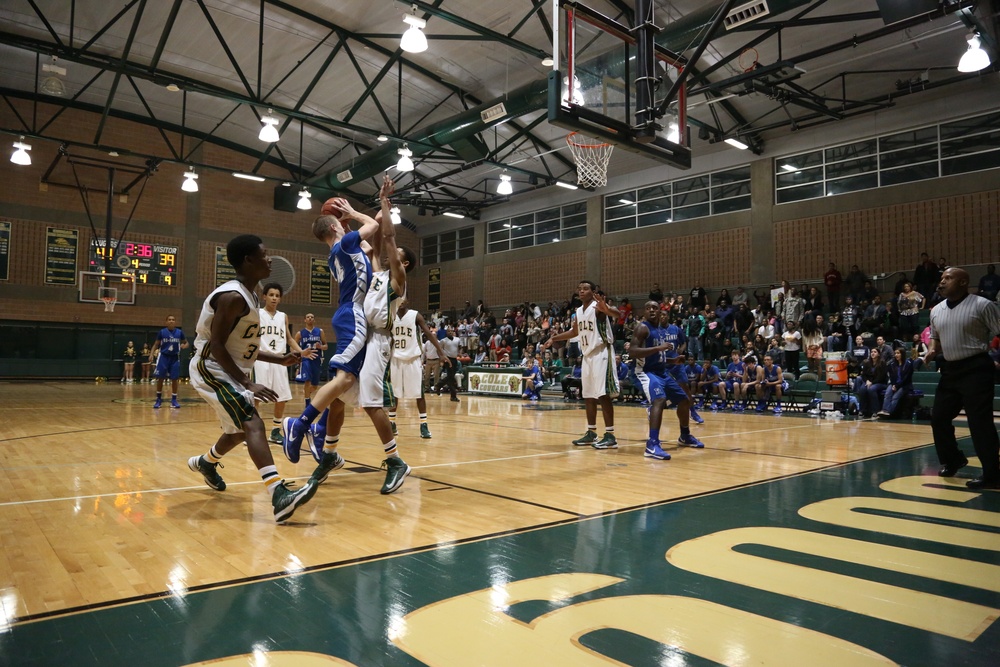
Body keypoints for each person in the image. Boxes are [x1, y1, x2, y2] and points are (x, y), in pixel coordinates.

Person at [186, 234, 318, 523]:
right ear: (248, 260)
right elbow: (218, 346)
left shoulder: (251, 297)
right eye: (264, 254)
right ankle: (278, 494)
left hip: (228, 367)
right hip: (211, 366)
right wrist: (247, 383)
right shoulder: (232, 296)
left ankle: (206, 463)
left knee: (237, 431)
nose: (269, 259)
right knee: (251, 421)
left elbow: (243, 346)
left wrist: (279, 359)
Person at [298, 177, 416, 495]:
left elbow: (385, 232)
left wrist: (378, 208)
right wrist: (378, 203)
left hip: (376, 339)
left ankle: (395, 461)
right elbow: (373, 232)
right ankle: (330, 455)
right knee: (337, 401)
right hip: (359, 335)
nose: (390, 253)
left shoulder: (397, 280)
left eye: (397, 253)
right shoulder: (374, 268)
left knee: (373, 404)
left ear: (402, 262)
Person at [280, 195, 388, 482]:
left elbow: (370, 242)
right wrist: (354, 213)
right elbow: (371, 230)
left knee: (345, 385)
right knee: (345, 380)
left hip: (348, 313)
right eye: (340, 224)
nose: (345, 224)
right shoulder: (343, 243)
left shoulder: (339, 252)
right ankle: (300, 423)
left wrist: (377, 212)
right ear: (333, 229)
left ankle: (317, 428)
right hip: (353, 314)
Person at [924, 267, 1000, 489]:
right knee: (938, 418)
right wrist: (931, 349)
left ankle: (992, 473)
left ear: (964, 282)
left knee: (980, 422)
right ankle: (953, 459)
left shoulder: (982, 305)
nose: (942, 282)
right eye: (941, 278)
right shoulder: (936, 310)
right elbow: (935, 337)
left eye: (948, 278)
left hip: (976, 367)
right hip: (950, 369)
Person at [542, 281, 620, 449]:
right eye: (580, 289)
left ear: (593, 291)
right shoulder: (578, 310)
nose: (582, 291)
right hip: (587, 355)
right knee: (589, 395)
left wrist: (606, 308)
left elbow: (617, 314)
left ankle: (610, 435)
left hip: (601, 352)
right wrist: (554, 338)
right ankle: (591, 433)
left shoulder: (598, 306)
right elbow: (575, 332)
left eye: (585, 288)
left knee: (603, 394)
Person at [630, 301, 704, 461]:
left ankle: (685, 436)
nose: (651, 310)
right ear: (644, 311)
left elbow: (658, 356)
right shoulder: (642, 328)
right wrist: (658, 348)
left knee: (685, 400)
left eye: (654, 308)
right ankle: (652, 444)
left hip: (661, 371)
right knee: (659, 399)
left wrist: (673, 361)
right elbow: (632, 352)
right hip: (644, 372)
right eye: (648, 308)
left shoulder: (661, 330)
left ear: (660, 312)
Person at [255, 283, 315, 443]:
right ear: (264, 297)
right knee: (256, 397)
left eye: (277, 295)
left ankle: (275, 431)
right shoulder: (257, 313)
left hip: (280, 359)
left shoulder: (283, 316)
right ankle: (252, 431)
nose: (274, 298)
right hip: (262, 358)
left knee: (282, 397)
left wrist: (301, 351)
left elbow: (288, 338)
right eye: (271, 295)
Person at [389, 299, 448, 439]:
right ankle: (391, 423)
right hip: (395, 358)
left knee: (419, 393)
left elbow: (428, 334)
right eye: (398, 299)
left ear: (408, 301)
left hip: (413, 358)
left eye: (403, 298)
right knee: (394, 393)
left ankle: (423, 424)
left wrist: (441, 352)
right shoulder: (390, 316)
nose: (401, 302)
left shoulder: (415, 315)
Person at [150, 315, 189, 409]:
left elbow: (186, 342)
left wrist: (185, 345)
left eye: (173, 320)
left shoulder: (179, 332)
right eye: (169, 320)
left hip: (174, 357)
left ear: (175, 322)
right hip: (164, 357)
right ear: (166, 322)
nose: (171, 321)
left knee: (175, 378)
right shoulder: (162, 332)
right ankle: (158, 399)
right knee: (160, 378)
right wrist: (151, 354)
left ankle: (174, 399)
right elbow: (156, 344)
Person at [294, 313, 328, 407]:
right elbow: (292, 348)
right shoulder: (300, 333)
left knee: (315, 385)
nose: (310, 318)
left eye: (312, 317)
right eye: (308, 317)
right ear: (305, 320)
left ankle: (307, 393)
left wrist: (320, 346)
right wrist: (302, 353)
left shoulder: (320, 331)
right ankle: (307, 402)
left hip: (316, 359)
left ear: (314, 320)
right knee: (307, 380)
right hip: (306, 360)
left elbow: (326, 346)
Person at [876, 347, 913, 419]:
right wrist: (893, 385)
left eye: (898, 353)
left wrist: (897, 386)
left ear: (902, 354)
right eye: (895, 353)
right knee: (887, 393)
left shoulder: (908, 364)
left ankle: (889, 412)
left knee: (895, 397)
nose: (896, 355)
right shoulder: (892, 364)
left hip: (904, 385)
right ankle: (885, 410)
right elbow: (892, 377)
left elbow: (906, 378)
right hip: (894, 384)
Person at [855, 348, 888, 418]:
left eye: (875, 352)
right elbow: (863, 375)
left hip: (880, 382)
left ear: (878, 354)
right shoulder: (867, 363)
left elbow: (882, 377)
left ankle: (875, 411)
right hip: (868, 382)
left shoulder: (882, 363)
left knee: (871, 389)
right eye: (872, 352)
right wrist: (867, 381)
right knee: (862, 389)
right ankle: (862, 410)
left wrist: (872, 382)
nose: (873, 353)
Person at [434, 326, 461, 401]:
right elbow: (438, 350)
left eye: (451, 331)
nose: (450, 332)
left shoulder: (457, 339)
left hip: (455, 359)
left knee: (451, 377)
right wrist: (441, 358)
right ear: (446, 332)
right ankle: (453, 396)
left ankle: (438, 385)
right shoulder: (443, 341)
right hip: (447, 360)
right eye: (449, 331)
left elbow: (458, 347)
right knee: (451, 377)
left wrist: (459, 353)